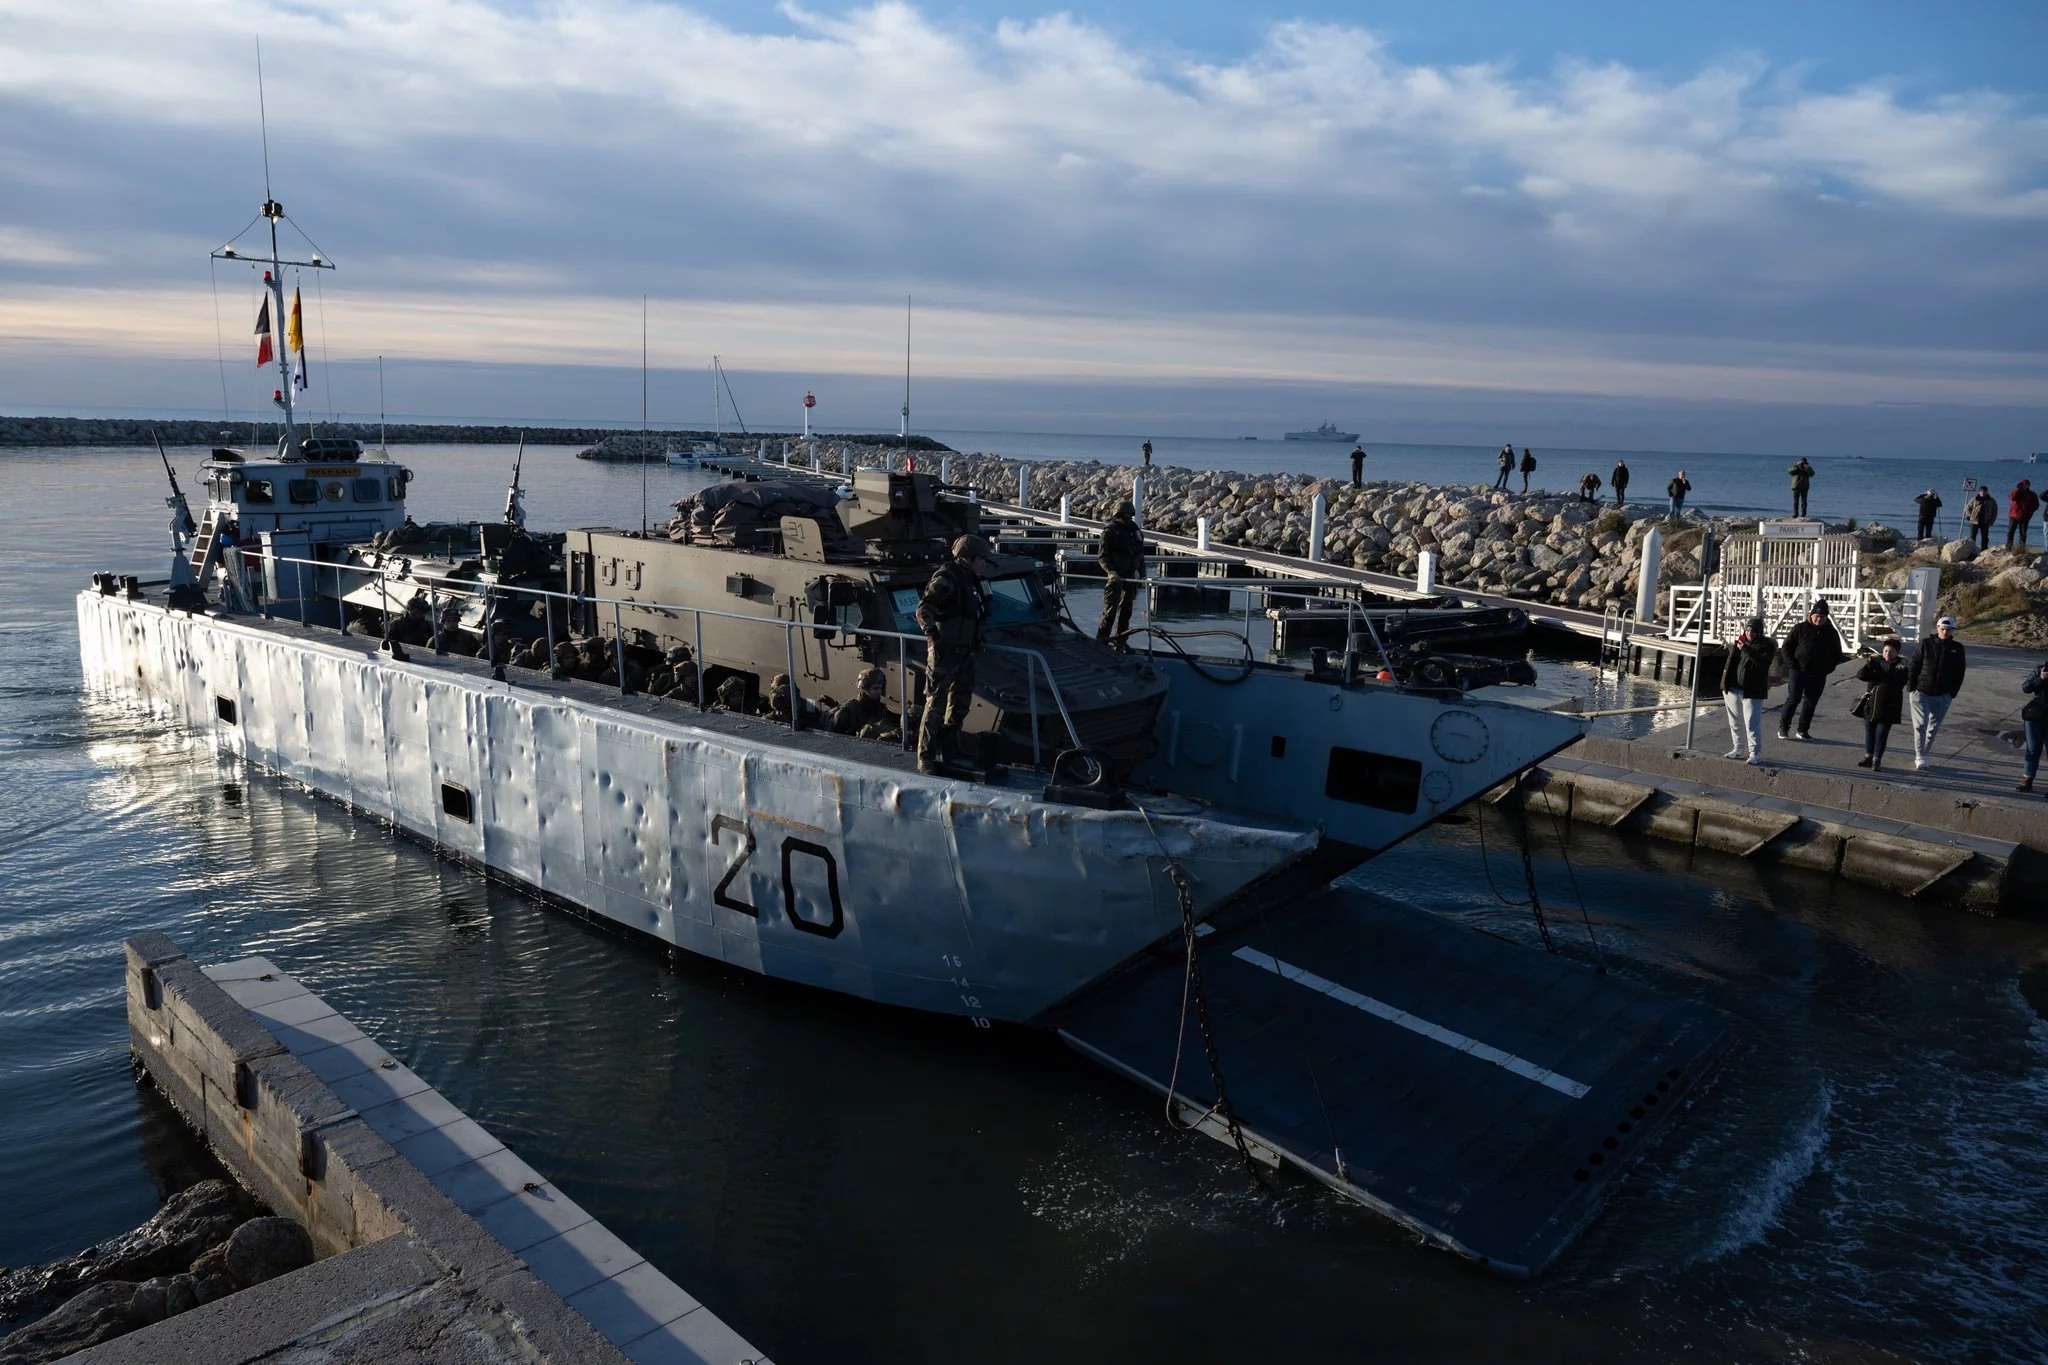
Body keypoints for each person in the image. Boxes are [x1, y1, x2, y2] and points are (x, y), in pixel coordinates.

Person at [915, 533, 994, 774]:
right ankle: (925, 757)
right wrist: (931, 633)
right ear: (969, 558)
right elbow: (924, 608)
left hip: (966, 651)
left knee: (960, 704)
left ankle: (950, 749)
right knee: (936, 703)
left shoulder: (973, 581)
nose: (985, 564)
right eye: (982, 559)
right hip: (944, 650)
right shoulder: (947, 579)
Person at [1779, 600, 1845, 741]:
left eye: (1822, 617)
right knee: (1793, 699)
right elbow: (1786, 647)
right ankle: (1783, 729)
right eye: (1816, 615)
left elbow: (1837, 653)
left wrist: (1829, 668)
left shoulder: (1831, 632)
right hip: (1798, 670)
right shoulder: (1800, 628)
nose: (1819, 619)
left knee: (1810, 702)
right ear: (1811, 614)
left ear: (1826, 617)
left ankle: (1802, 730)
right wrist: (1792, 664)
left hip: (1819, 673)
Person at [1908, 616, 1966, 770]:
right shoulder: (1925, 644)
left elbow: (1960, 672)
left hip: (1943, 695)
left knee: (1933, 728)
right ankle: (1920, 756)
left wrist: (1952, 693)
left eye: (1948, 629)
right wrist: (1911, 687)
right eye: (1942, 629)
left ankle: (1925, 753)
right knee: (1920, 725)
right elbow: (1914, 665)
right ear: (1937, 628)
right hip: (1921, 692)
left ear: (1953, 630)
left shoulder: (1958, 648)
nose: (1945, 632)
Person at [1721, 615, 1777, 765]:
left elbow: (1763, 663)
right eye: (1747, 629)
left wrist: (1745, 648)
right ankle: (1738, 748)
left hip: (1752, 690)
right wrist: (1724, 683)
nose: (1749, 633)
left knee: (1752, 723)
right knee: (1734, 721)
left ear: (1759, 633)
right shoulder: (1740, 643)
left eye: (1753, 631)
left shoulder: (1767, 646)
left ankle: (1755, 753)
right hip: (1733, 688)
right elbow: (1731, 663)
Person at [1853, 639, 1910, 770]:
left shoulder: (1902, 666)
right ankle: (1868, 757)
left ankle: (1876, 760)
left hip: (1889, 706)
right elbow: (1860, 676)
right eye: (1885, 651)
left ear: (1897, 653)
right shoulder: (1876, 663)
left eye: (1891, 651)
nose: (1887, 654)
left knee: (1881, 733)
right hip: (1871, 704)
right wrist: (1868, 665)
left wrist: (1888, 670)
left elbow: (1900, 682)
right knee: (1869, 732)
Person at [1096, 500, 1144, 649]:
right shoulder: (1110, 531)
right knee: (1110, 610)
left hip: (1130, 576)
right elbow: (1102, 557)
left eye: (1130, 515)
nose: (1128, 517)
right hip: (1115, 576)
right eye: (1125, 515)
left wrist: (1141, 575)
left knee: (1126, 611)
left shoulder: (1134, 530)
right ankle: (1101, 643)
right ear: (1118, 515)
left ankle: (1121, 642)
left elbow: (1140, 555)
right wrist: (1110, 572)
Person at [830, 666, 900, 740]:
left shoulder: (881, 709)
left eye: (881, 688)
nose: (880, 692)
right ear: (865, 689)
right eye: (875, 688)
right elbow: (834, 737)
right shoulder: (850, 709)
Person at [2018, 658, 2048, 794]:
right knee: (2032, 749)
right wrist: (2041, 678)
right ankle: (2027, 780)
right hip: (2035, 716)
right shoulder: (2039, 669)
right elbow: (2026, 688)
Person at [2008, 478, 2039, 550]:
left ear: (2029, 485)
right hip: (2014, 515)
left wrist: (2029, 513)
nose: (2025, 486)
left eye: (2026, 484)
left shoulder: (2032, 494)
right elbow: (2011, 497)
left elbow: (2036, 505)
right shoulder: (2017, 492)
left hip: (2025, 516)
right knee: (2010, 532)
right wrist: (2018, 489)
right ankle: (2008, 548)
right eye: (2023, 484)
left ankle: (2021, 549)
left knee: (2023, 534)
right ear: (2021, 485)